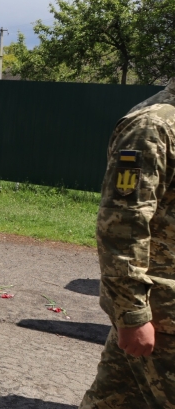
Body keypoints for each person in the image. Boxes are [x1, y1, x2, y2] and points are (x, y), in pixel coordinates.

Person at [79, 80, 175, 408]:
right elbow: (122, 226)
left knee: (111, 400)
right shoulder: (153, 126)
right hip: (162, 312)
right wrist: (132, 313)